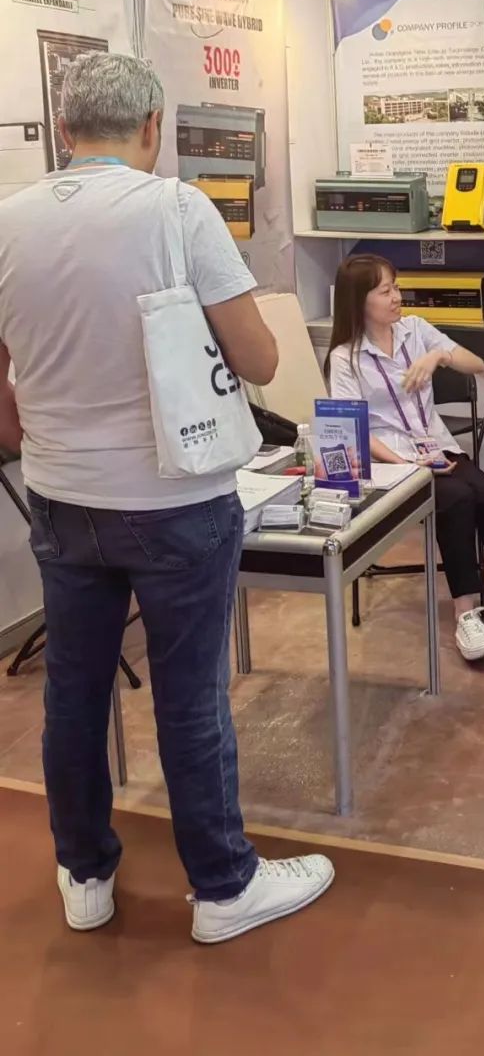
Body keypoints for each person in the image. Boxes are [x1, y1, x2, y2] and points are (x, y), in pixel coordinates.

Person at [0, 53, 333, 942]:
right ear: (152, 127)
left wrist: (36, 435)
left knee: (74, 693)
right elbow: (260, 357)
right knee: (190, 698)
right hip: (175, 498)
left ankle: (84, 873)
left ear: (63, 130)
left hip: (60, 497)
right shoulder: (177, 209)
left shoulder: (8, 219)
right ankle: (224, 887)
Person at [326, 255, 484, 662]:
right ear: (359, 300)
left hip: (435, 446)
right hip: (391, 462)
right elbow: (353, 429)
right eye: (385, 291)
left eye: (396, 287)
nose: (397, 297)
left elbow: (476, 363)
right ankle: (466, 613)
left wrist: (438, 357)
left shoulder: (415, 330)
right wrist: (405, 463)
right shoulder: (345, 358)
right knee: (456, 500)